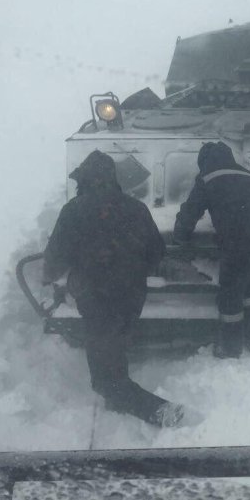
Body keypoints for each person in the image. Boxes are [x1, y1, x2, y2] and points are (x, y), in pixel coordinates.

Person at [43, 150, 184, 427]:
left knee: (104, 380)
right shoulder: (136, 208)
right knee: (114, 348)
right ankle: (118, 406)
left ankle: (163, 413)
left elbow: (55, 259)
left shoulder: (73, 210)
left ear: (85, 180)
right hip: (131, 296)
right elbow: (156, 253)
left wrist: (51, 277)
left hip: (96, 299)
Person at [174, 141, 250, 357]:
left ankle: (230, 347)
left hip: (241, 240)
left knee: (230, 293)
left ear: (203, 162)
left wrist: (181, 238)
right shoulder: (248, 175)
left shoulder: (207, 176)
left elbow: (190, 212)